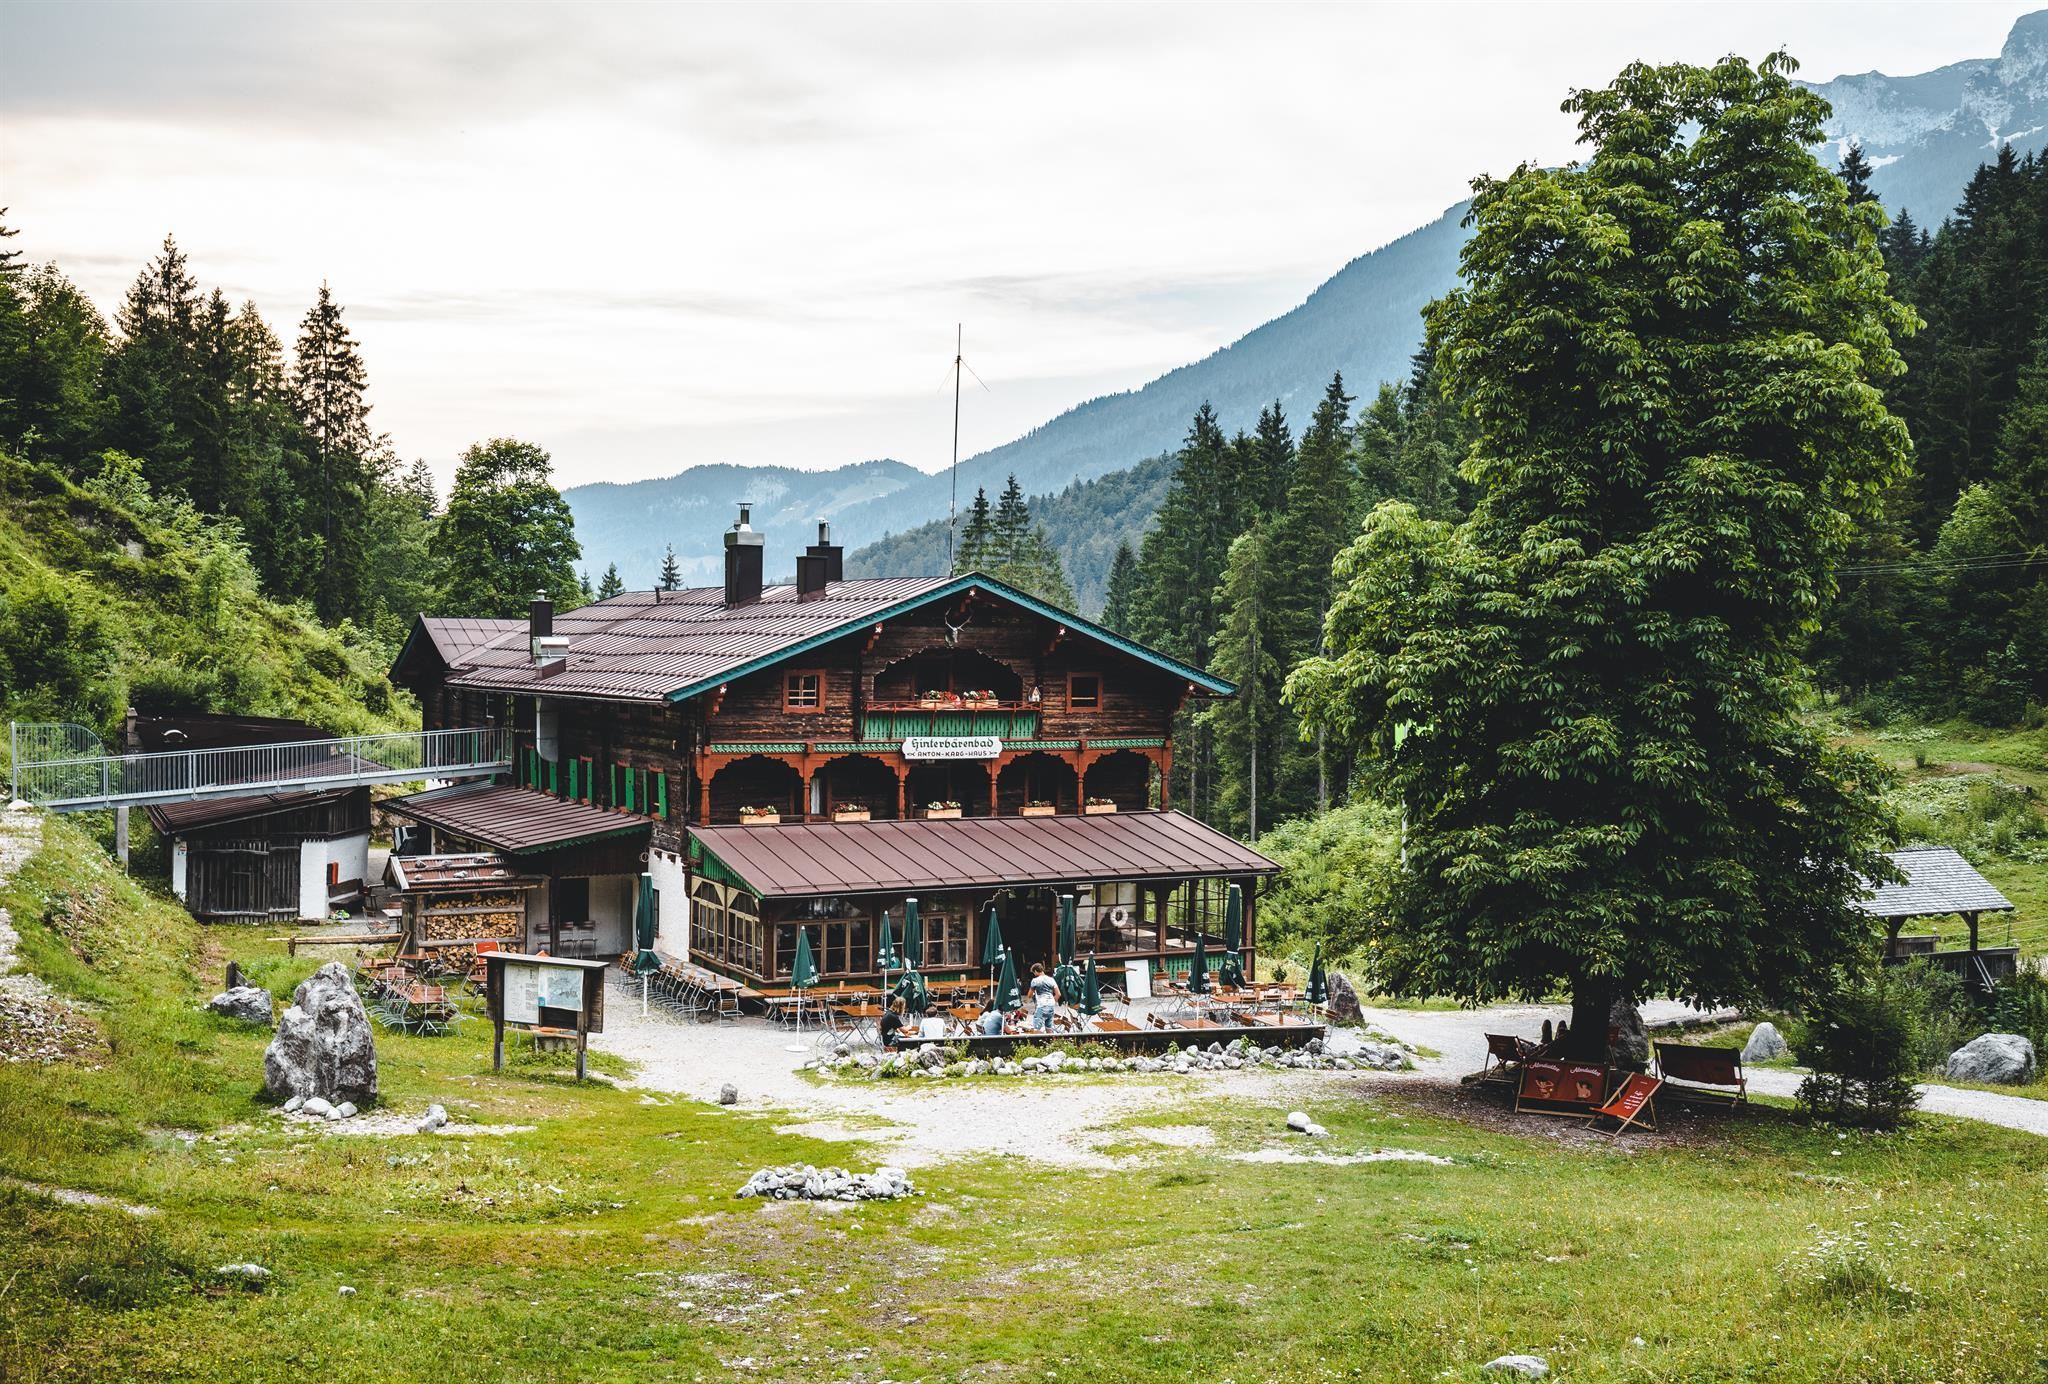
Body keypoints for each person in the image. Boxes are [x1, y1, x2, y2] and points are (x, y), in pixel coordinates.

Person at [1028, 962, 1060, 1032]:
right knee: (1049, 1028)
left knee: (1036, 1029)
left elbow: (1029, 995)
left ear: (1036, 971)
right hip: (1051, 1006)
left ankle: (1036, 1042)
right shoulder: (1051, 979)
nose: (1034, 974)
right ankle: (1052, 1042)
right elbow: (1058, 994)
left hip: (1041, 1005)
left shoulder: (1035, 981)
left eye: (1034, 972)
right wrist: (1052, 1001)